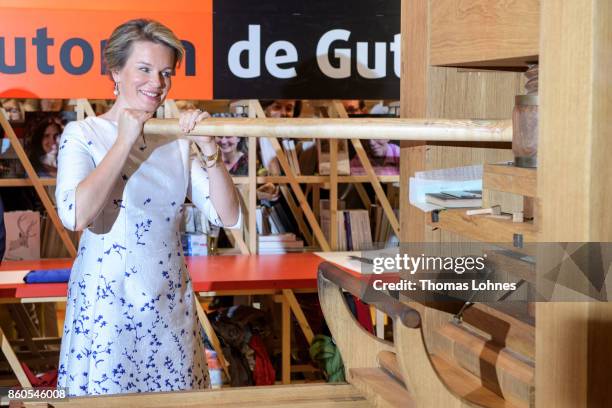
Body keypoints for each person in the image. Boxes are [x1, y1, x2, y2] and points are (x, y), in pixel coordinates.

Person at [55, 19, 241, 396]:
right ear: (115, 72)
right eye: (144, 69)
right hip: (107, 306)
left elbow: (228, 216)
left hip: (168, 301)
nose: (156, 82)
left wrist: (210, 153)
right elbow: (76, 215)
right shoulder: (84, 134)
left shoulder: (176, 141)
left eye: (165, 72)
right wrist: (124, 140)